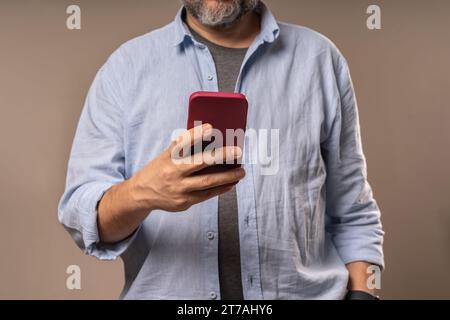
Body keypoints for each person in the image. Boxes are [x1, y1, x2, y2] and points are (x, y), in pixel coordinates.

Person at [58, 0, 384, 300]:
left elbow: (353, 214)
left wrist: (363, 296)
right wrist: (143, 192)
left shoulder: (319, 60)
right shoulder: (125, 69)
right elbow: (82, 217)